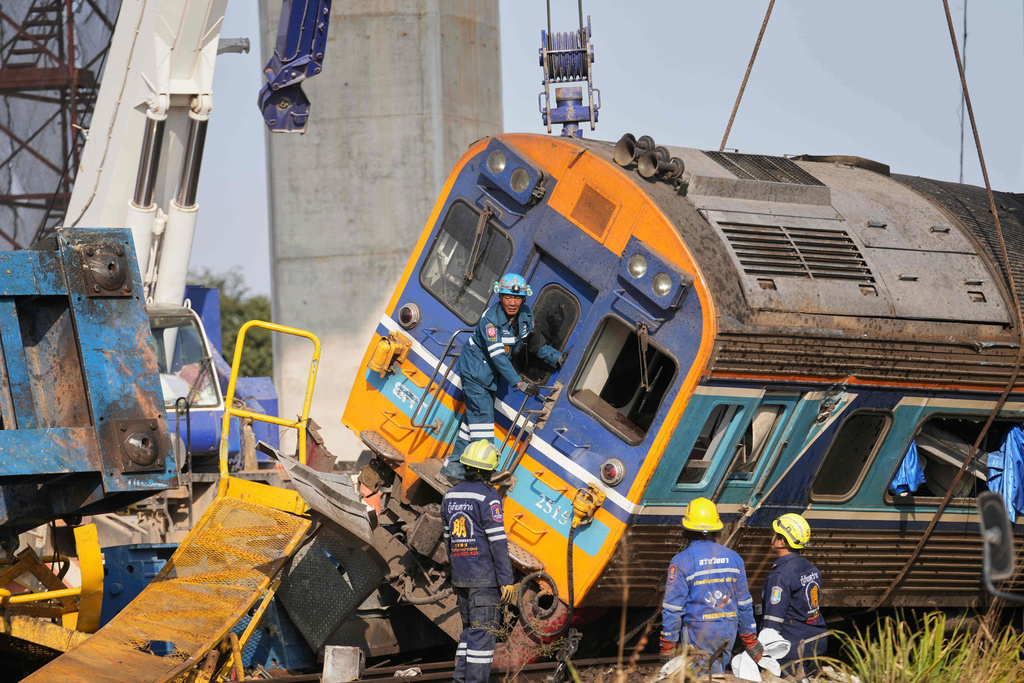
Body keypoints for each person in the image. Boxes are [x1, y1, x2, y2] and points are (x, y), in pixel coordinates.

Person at [439, 272, 564, 482]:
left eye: (517, 298)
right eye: (508, 297)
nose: (512, 302)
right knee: (483, 423)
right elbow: (498, 356)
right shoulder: (490, 321)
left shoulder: (525, 316)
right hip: (475, 372)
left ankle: (453, 469)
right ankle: (484, 474)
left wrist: (557, 358)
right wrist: (519, 383)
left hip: (489, 377)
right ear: (500, 297)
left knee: (471, 423)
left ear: (524, 299)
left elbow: (534, 342)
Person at [441, 440, 517, 683]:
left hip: (462, 577)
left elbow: (448, 541)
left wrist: (456, 573)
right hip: (485, 580)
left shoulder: (450, 495)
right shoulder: (488, 497)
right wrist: (506, 581)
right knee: (482, 640)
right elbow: (497, 542)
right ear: (489, 470)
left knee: (468, 636)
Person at [660, 497, 762, 674]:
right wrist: (750, 638)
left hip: (698, 631)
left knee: (700, 676)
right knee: (717, 674)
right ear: (716, 528)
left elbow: (673, 608)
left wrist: (668, 643)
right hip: (728, 628)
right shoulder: (734, 558)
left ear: (687, 529)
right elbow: (744, 604)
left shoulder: (681, 561)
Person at [761, 513, 827, 676]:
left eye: (775, 535)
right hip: (816, 642)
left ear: (782, 541)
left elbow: (773, 622)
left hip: (791, 649)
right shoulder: (811, 568)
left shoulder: (780, 576)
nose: (773, 537)